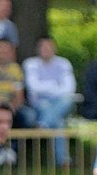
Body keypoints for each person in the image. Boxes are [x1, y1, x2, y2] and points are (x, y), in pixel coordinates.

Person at [23, 36, 77, 167]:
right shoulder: (30, 64)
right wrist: (55, 87)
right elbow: (34, 87)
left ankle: (44, 124)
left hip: (61, 102)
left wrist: (46, 89)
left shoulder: (63, 63)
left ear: (55, 49)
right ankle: (63, 161)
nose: (46, 50)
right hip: (40, 104)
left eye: (49, 47)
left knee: (68, 100)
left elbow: (69, 89)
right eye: (43, 47)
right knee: (58, 121)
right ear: (38, 49)